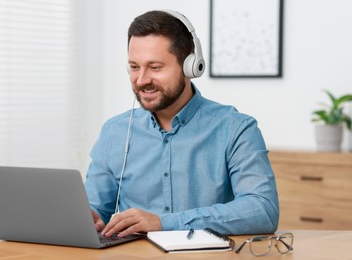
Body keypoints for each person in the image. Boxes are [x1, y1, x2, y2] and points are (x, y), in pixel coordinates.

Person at [85, 10, 279, 238]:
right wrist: (88, 217)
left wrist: (162, 223)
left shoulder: (236, 129)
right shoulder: (115, 132)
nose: (141, 80)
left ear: (190, 66)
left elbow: (262, 210)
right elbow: (96, 210)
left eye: (155, 67)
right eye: (134, 67)